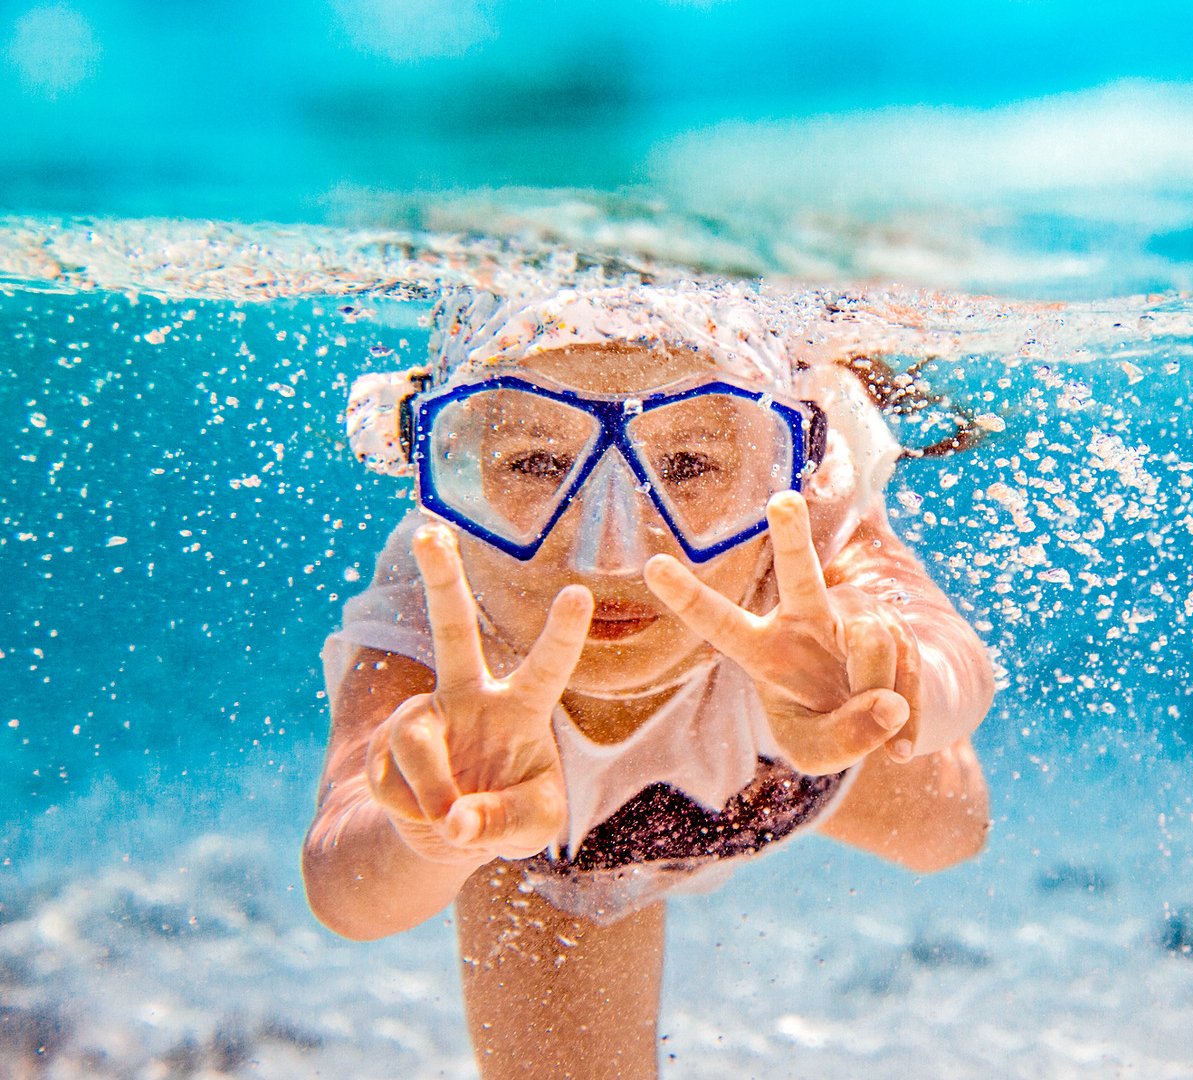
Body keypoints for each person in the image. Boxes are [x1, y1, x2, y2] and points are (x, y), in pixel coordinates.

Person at [301, 285, 995, 1079]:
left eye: (691, 463)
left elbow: (957, 662)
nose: (612, 553)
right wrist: (429, 826)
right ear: (450, 464)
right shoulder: (438, 616)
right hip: (545, 856)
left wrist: (893, 675)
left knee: (955, 830)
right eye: (535, 461)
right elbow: (342, 886)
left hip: (818, 755)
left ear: (777, 468)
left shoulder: (803, 541)